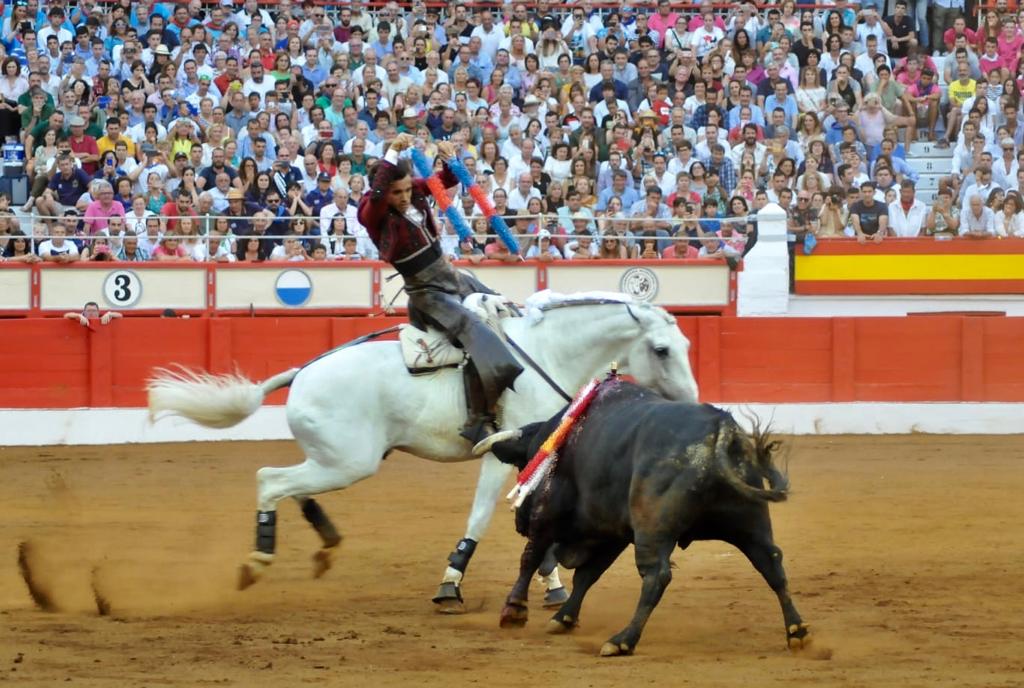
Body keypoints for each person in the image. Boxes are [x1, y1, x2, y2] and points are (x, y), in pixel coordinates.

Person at [357, 133, 523, 444]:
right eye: (397, 192)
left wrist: (449, 158)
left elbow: (444, 181)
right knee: (476, 331)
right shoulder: (371, 210)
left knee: (505, 308)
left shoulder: (414, 193)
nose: (405, 197)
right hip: (426, 293)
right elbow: (377, 196)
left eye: (408, 189)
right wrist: (391, 152)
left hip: (452, 278)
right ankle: (478, 419)